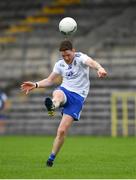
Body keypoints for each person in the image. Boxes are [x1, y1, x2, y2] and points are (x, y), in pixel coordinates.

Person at [21, 40, 107, 167]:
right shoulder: (60, 64)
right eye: (63, 56)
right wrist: (36, 84)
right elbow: (50, 80)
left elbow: (91, 63)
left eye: (68, 55)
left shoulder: (80, 57)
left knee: (61, 131)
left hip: (78, 97)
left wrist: (99, 68)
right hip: (65, 90)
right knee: (58, 94)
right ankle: (53, 105)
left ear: (73, 50)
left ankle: (51, 159)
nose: (66, 58)